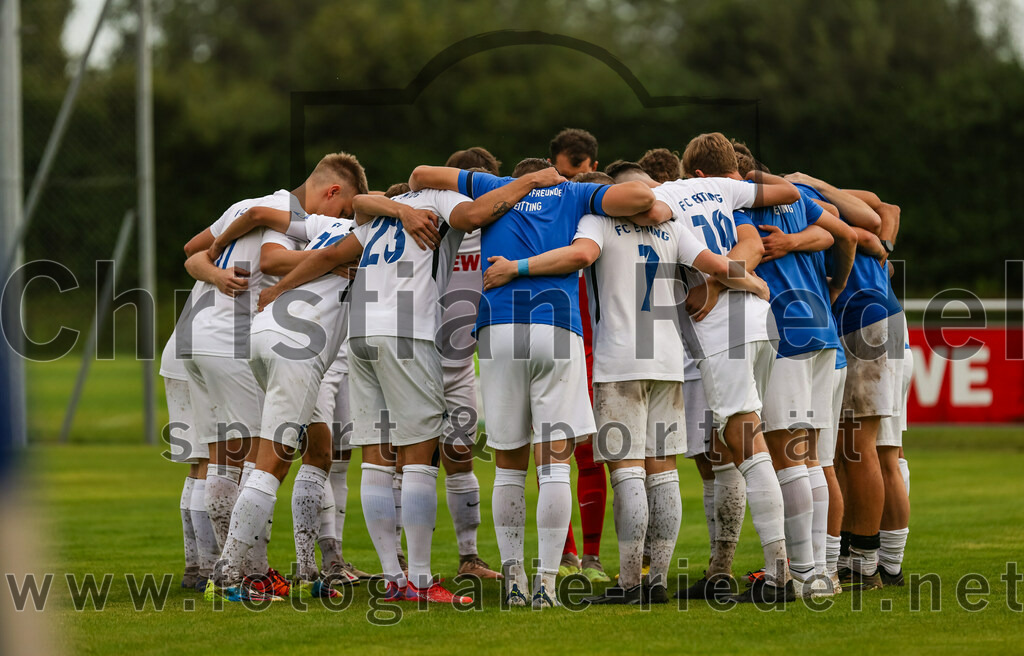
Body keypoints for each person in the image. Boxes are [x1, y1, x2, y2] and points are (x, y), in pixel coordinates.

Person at [263, 167, 563, 603]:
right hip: (408, 332)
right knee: (419, 457)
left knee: (376, 460)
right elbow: (477, 213)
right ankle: (419, 582)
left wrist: (279, 290)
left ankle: (393, 577)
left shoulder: (379, 219)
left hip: (361, 336)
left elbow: (329, 255)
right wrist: (530, 182)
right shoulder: (436, 199)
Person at [484, 170, 770, 604]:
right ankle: (657, 581)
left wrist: (515, 268)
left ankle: (631, 581)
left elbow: (579, 258)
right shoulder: (671, 226)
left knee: (628, 472)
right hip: (670, 360)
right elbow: (715, 265)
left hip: (619, 361)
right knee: (664, 472)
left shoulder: (595, 221)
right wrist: (750, 280)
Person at [411, 157, 658, 606]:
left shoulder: (492, 185)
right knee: (554, 465)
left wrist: (518, 185)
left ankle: (514, 581)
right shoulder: (577, 193)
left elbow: (420, 175)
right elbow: (642, 196)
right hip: (557, 328)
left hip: (498, 327)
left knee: (508, 466)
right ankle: (545, 582)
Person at [177, 153, 364, 599]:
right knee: (262, 461)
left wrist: (219, 263)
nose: (341, 218)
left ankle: (248, 568)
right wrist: (325, 262)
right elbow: (275, 255)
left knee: (223, 457)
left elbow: (192, 253)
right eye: (344, 210)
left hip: (225, 335)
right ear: (333, 193)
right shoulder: (309, 218)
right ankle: (236, 575)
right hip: (250, 339)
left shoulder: (273, 212)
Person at [671, 132, 802, 603]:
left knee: (745, 438)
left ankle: (780, 573)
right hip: (757, 317)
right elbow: (787, 191)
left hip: (724, 329)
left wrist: (713, 283)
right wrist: (730, 278)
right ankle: (723, 569)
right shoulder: (727, 192)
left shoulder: (666, 195)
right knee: (733, 438)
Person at [725, 150, 857, 597]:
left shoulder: (736, 206)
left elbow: (743, 260)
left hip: (787, 335)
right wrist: (834, 286)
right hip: (823, 332)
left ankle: (803, 576)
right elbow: (843, 233)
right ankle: (823, 572)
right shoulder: (796, 194)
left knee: (789, 457)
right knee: (815, 460)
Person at [784, 172, 902, 591]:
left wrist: (811, 183)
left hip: (862, 317)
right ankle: (860, 555)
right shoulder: (798, 194)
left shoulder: (798, 194)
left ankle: (867, 563)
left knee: (859, 447)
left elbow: (883, 213)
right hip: (868, 317)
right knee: (849, 449)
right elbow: (881, 213)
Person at [435, 148, 504, 580]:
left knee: (460, 453)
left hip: (460, 360)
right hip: (416, 352)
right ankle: (402, 567)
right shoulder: (438, 219)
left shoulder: (504, 229)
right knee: (406, 459)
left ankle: (469, 559)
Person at [547, 128, 610, 582]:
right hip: (562, 343)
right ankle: (568, 556)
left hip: (596, 348)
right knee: (555, 453)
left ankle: (589, 556)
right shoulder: (555, 221)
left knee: (587, 456)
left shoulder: (595, 225)